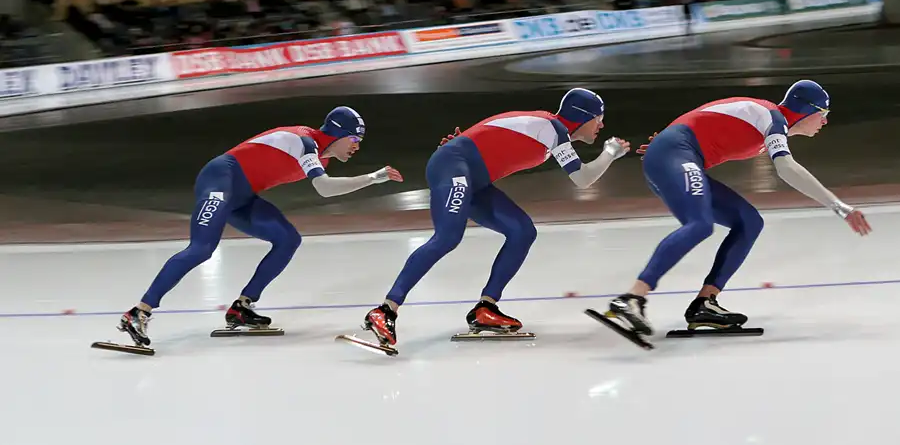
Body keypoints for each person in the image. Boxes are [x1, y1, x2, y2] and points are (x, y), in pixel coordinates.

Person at [361, 88, 630, 348]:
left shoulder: (552, 133)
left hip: (473, 178)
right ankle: (385, 310)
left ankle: (485, 308)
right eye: (599, 119)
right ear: (583, 117)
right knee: (448, 237)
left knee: (522, 232)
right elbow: (582, 179)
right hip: (453, 165)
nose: (601, 126)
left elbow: (493, 131)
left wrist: (467, 139)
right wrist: (610, 152)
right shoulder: (553, 128)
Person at [601, 79, 871, 337]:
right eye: (823, 113)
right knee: (700, 224)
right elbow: (787, 169)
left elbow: (707, 116)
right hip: (674, 153)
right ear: (806, 111)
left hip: (676, 153)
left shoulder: (769, 121)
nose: (825, 121)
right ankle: (632, 298)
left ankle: (704, 304)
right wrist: (840, 207)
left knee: (749, 222)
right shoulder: (773, 118)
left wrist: (670, 137)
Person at [118, 107, 403, 347]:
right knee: (202, 249)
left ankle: (242, 307)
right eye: (354, 139)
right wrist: (373, 178)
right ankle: (139, 312)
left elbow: (322, 183)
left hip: (243, 197)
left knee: (288, 240)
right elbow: (324, 189)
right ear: (337, 134)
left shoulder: (321, 155)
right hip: (219, 179)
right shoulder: (306, 142)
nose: (357, 146)